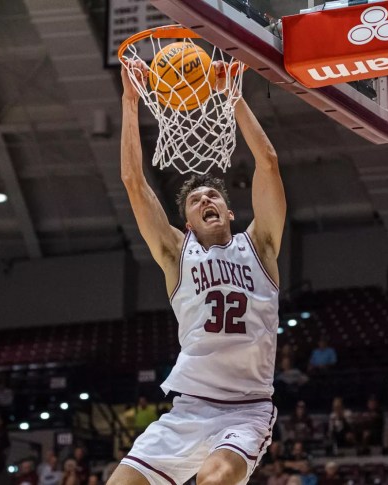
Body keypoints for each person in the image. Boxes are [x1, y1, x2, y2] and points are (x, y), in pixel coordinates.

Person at [109, 58, 285, 485]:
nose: (206, 199)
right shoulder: (176, 254)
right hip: (189, 408)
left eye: (214, 196)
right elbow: (134, 182)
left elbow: (267, 161)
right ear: (187, 223)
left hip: (246, 409)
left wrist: (233, 95)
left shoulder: (260, 245)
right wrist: (130, 100)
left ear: (229, 212)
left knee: (213, 480)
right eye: (195, 200)